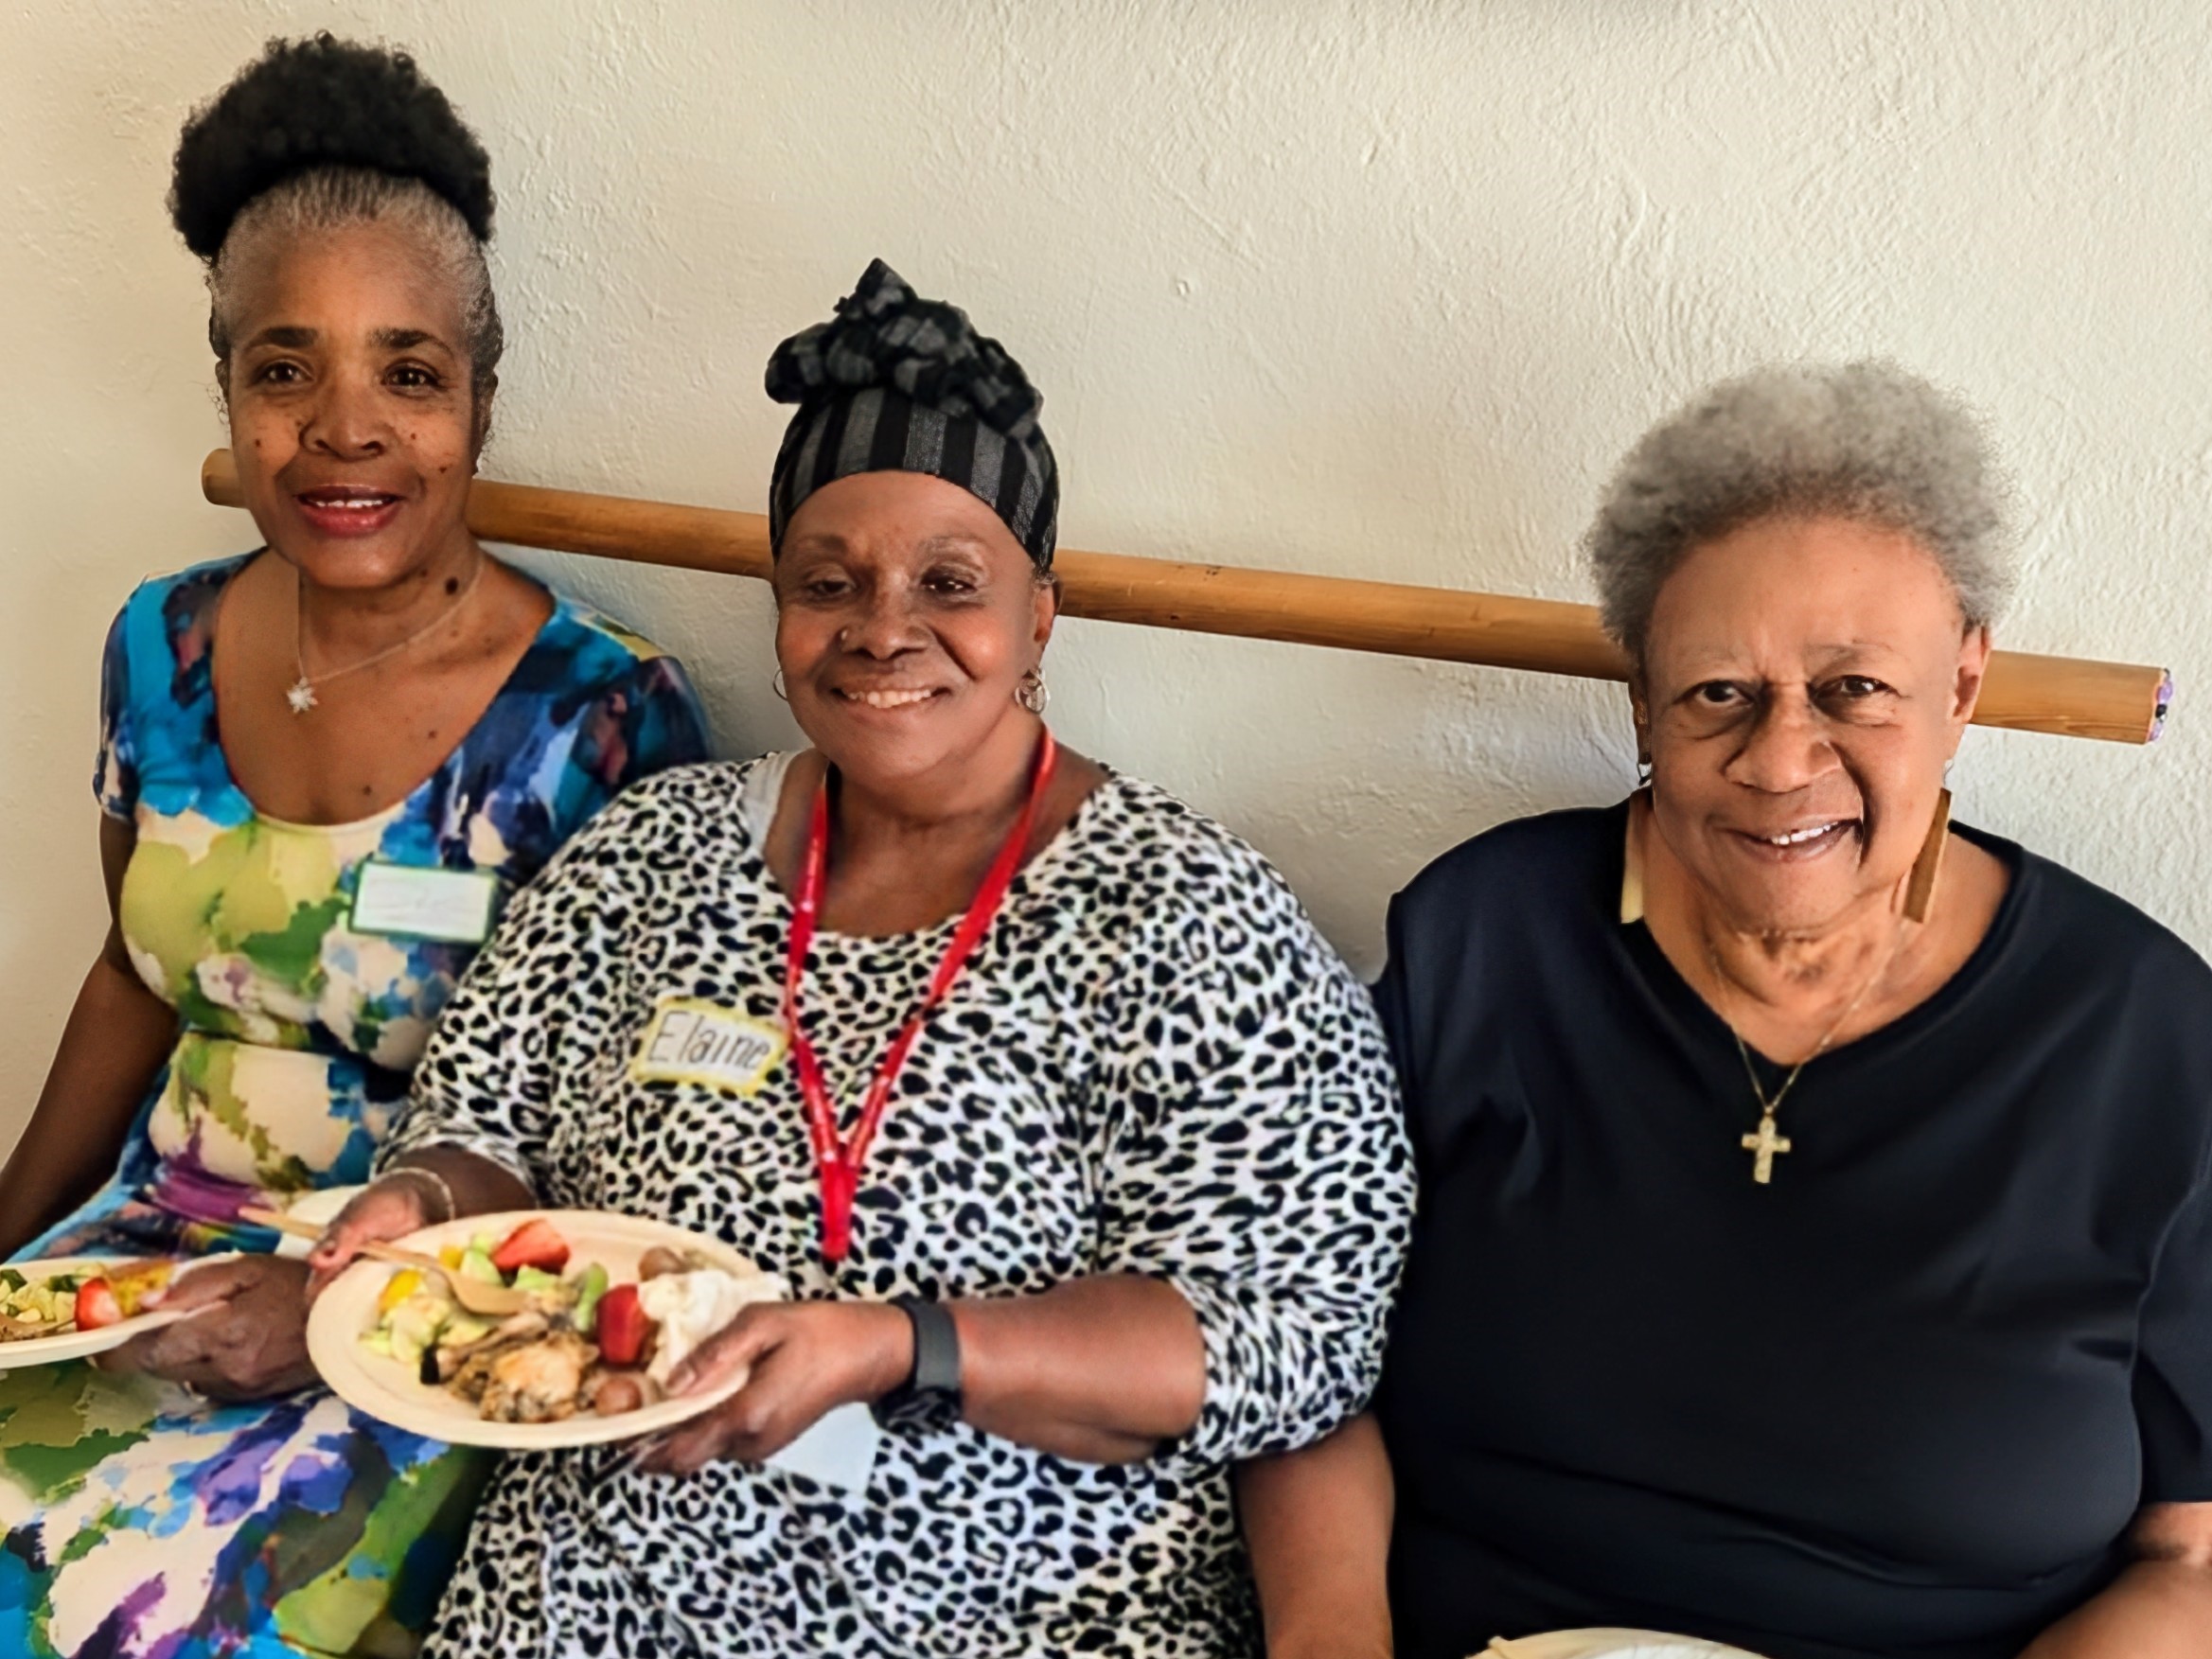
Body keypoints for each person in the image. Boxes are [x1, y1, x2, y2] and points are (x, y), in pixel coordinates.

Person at [312, 258, 1414, 1659]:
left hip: (1005, 1608)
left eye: (948, 582)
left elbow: (1288, 1343)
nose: (882, 627)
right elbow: (485, 1126)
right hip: (599, 1590)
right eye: (826, 582)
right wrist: (421, 1201)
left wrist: (900, 1341)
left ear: (1037, 617)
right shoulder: (652, 851)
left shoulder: (1186, 915)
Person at [1239, 362, 2212, 1659]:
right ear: (1638, 703)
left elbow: (2189, 1551)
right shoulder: (1489, 938)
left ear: (1962, 687)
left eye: (1853, 688)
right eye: (1716, 693)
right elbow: (1303, 1370)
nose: (1777, 760)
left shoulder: (2141, 1033)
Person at [0, 37, 709, 1658]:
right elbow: (131, 972)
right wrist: (10, 1237)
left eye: (407, 370)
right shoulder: (157, 643)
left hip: (412, 1328)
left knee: (112, 1621)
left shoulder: (601, 719)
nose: (344, 431)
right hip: (132, 1269)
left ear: (479, 392)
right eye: (282, 368)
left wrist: (338, 1316)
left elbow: (614, 1145)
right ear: (227, 388)